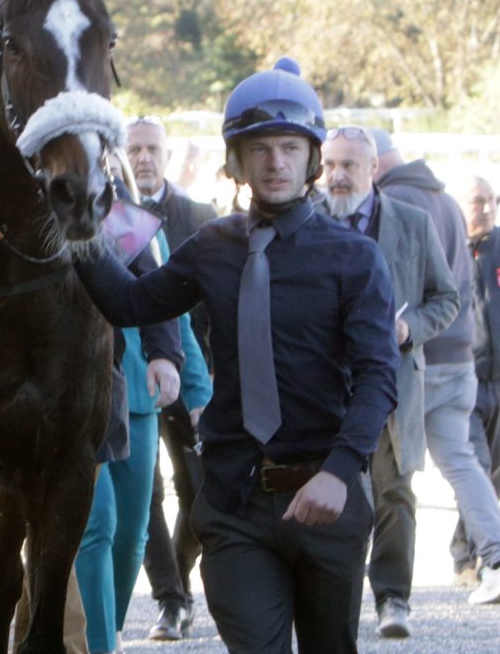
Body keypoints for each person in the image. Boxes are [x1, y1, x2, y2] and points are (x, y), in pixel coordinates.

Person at [78, 57, 398, 653]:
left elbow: (381, 376)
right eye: (259, 149)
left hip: (327, 499)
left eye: (288, 148)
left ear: (310, 159)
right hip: (234, 506)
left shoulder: (354, 258)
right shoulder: (213, 247)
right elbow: (129, 303)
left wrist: (339, 471)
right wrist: (76, 226)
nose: (274, 162)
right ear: (237, 160)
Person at [321, 125, 459, 639]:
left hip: (394, 383)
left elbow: (446, 299)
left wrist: (409, 328)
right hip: (324, 387)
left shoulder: (414, 223)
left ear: (373, 168)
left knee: (394, 493)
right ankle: (332, 600)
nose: (336, 176)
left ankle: (393, 598)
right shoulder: (308, 221)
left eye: (348, 166)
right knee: (333, 495)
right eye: (329, 165)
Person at [75, 151, 202, 654]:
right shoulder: (36, 210)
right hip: (71, 392)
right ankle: (98, 644)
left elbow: (159, 294)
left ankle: (109, 627)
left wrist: (166, 357)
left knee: (131, 534)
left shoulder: (124, 218)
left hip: (135, 394)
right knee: (97, 522)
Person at [371, 130, 500, 606]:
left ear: (375, 163)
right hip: (460, 353)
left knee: (390, 470)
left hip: (416, 356)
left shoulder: (392, 201)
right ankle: (498, 556)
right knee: (462, 463)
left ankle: (379, 584)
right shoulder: (445, 199)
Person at [124, 115, 216, 641]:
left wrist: (207, 386)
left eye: (151, 148)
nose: (143, 158)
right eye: (134, 148)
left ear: (168, 152)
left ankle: (181, 573)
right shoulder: (110, 213)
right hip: (136, 373)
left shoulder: (200, 216)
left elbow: (210, 308)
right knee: (147, 493)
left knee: (198, 486)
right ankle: (171, 598)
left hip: (193, 368)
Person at [449, 175, 500, 585]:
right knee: (477, 469)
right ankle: (483, 560)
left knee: (495, 475)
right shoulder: (447, 248)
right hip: (463, 378)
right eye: (475, 201)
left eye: (489, 201)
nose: (483, 208)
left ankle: (464, 549)